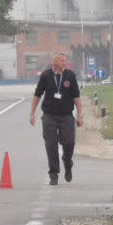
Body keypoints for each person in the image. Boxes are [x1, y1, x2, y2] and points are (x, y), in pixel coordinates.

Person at [30, 53, 83, 185]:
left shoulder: (70, 75)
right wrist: (32, 113)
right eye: (62, 60)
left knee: (69, 142)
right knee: (51, 144)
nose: (65, 62)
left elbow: (76, 96)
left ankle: (67, 162)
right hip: (49, 115)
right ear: (54, 62)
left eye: (65, 60)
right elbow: (37, 94)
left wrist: (80, 115)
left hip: (66, 115)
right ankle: (53, 173)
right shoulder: (46, 75)